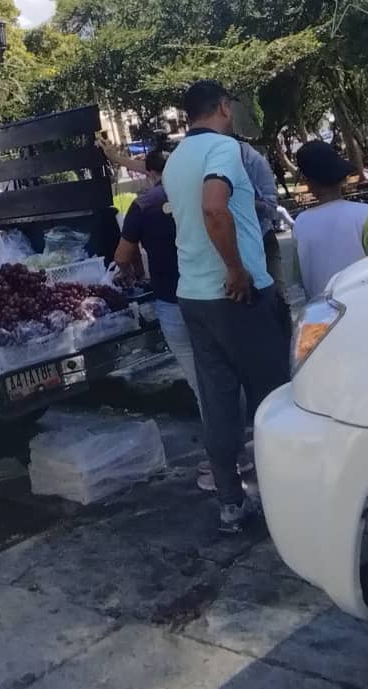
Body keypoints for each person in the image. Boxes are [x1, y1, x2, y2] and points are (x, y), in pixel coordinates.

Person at [162, 80, 291, 534]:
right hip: (236, 295)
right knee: (275, 399)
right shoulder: (224, 149)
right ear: (221, 107)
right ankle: (291, 502)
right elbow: (215, 208)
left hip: (193, 297)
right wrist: (236, 269)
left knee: (217, 402)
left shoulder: (175, 159)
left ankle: (231, 505)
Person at [98, 142, 202, 410]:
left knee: (195, 373)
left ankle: (219, 435)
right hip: (209, 292)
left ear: (149, 172)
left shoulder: (144, 205)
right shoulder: (200, 193)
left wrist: (131, 273)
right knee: (219, 364)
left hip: (171, 298)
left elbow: (121, 256)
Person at [293, 140, 368, 298]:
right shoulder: (363, 214)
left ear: (308, 182)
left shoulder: (300, 224)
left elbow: (298, 278)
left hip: (323, 314)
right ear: (342, 177)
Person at [238, 140, 287, 300]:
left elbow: (271, 208)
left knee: (278, 297)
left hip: (262, 236)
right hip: (227, 245)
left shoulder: (249, 157)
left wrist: (239, 201)